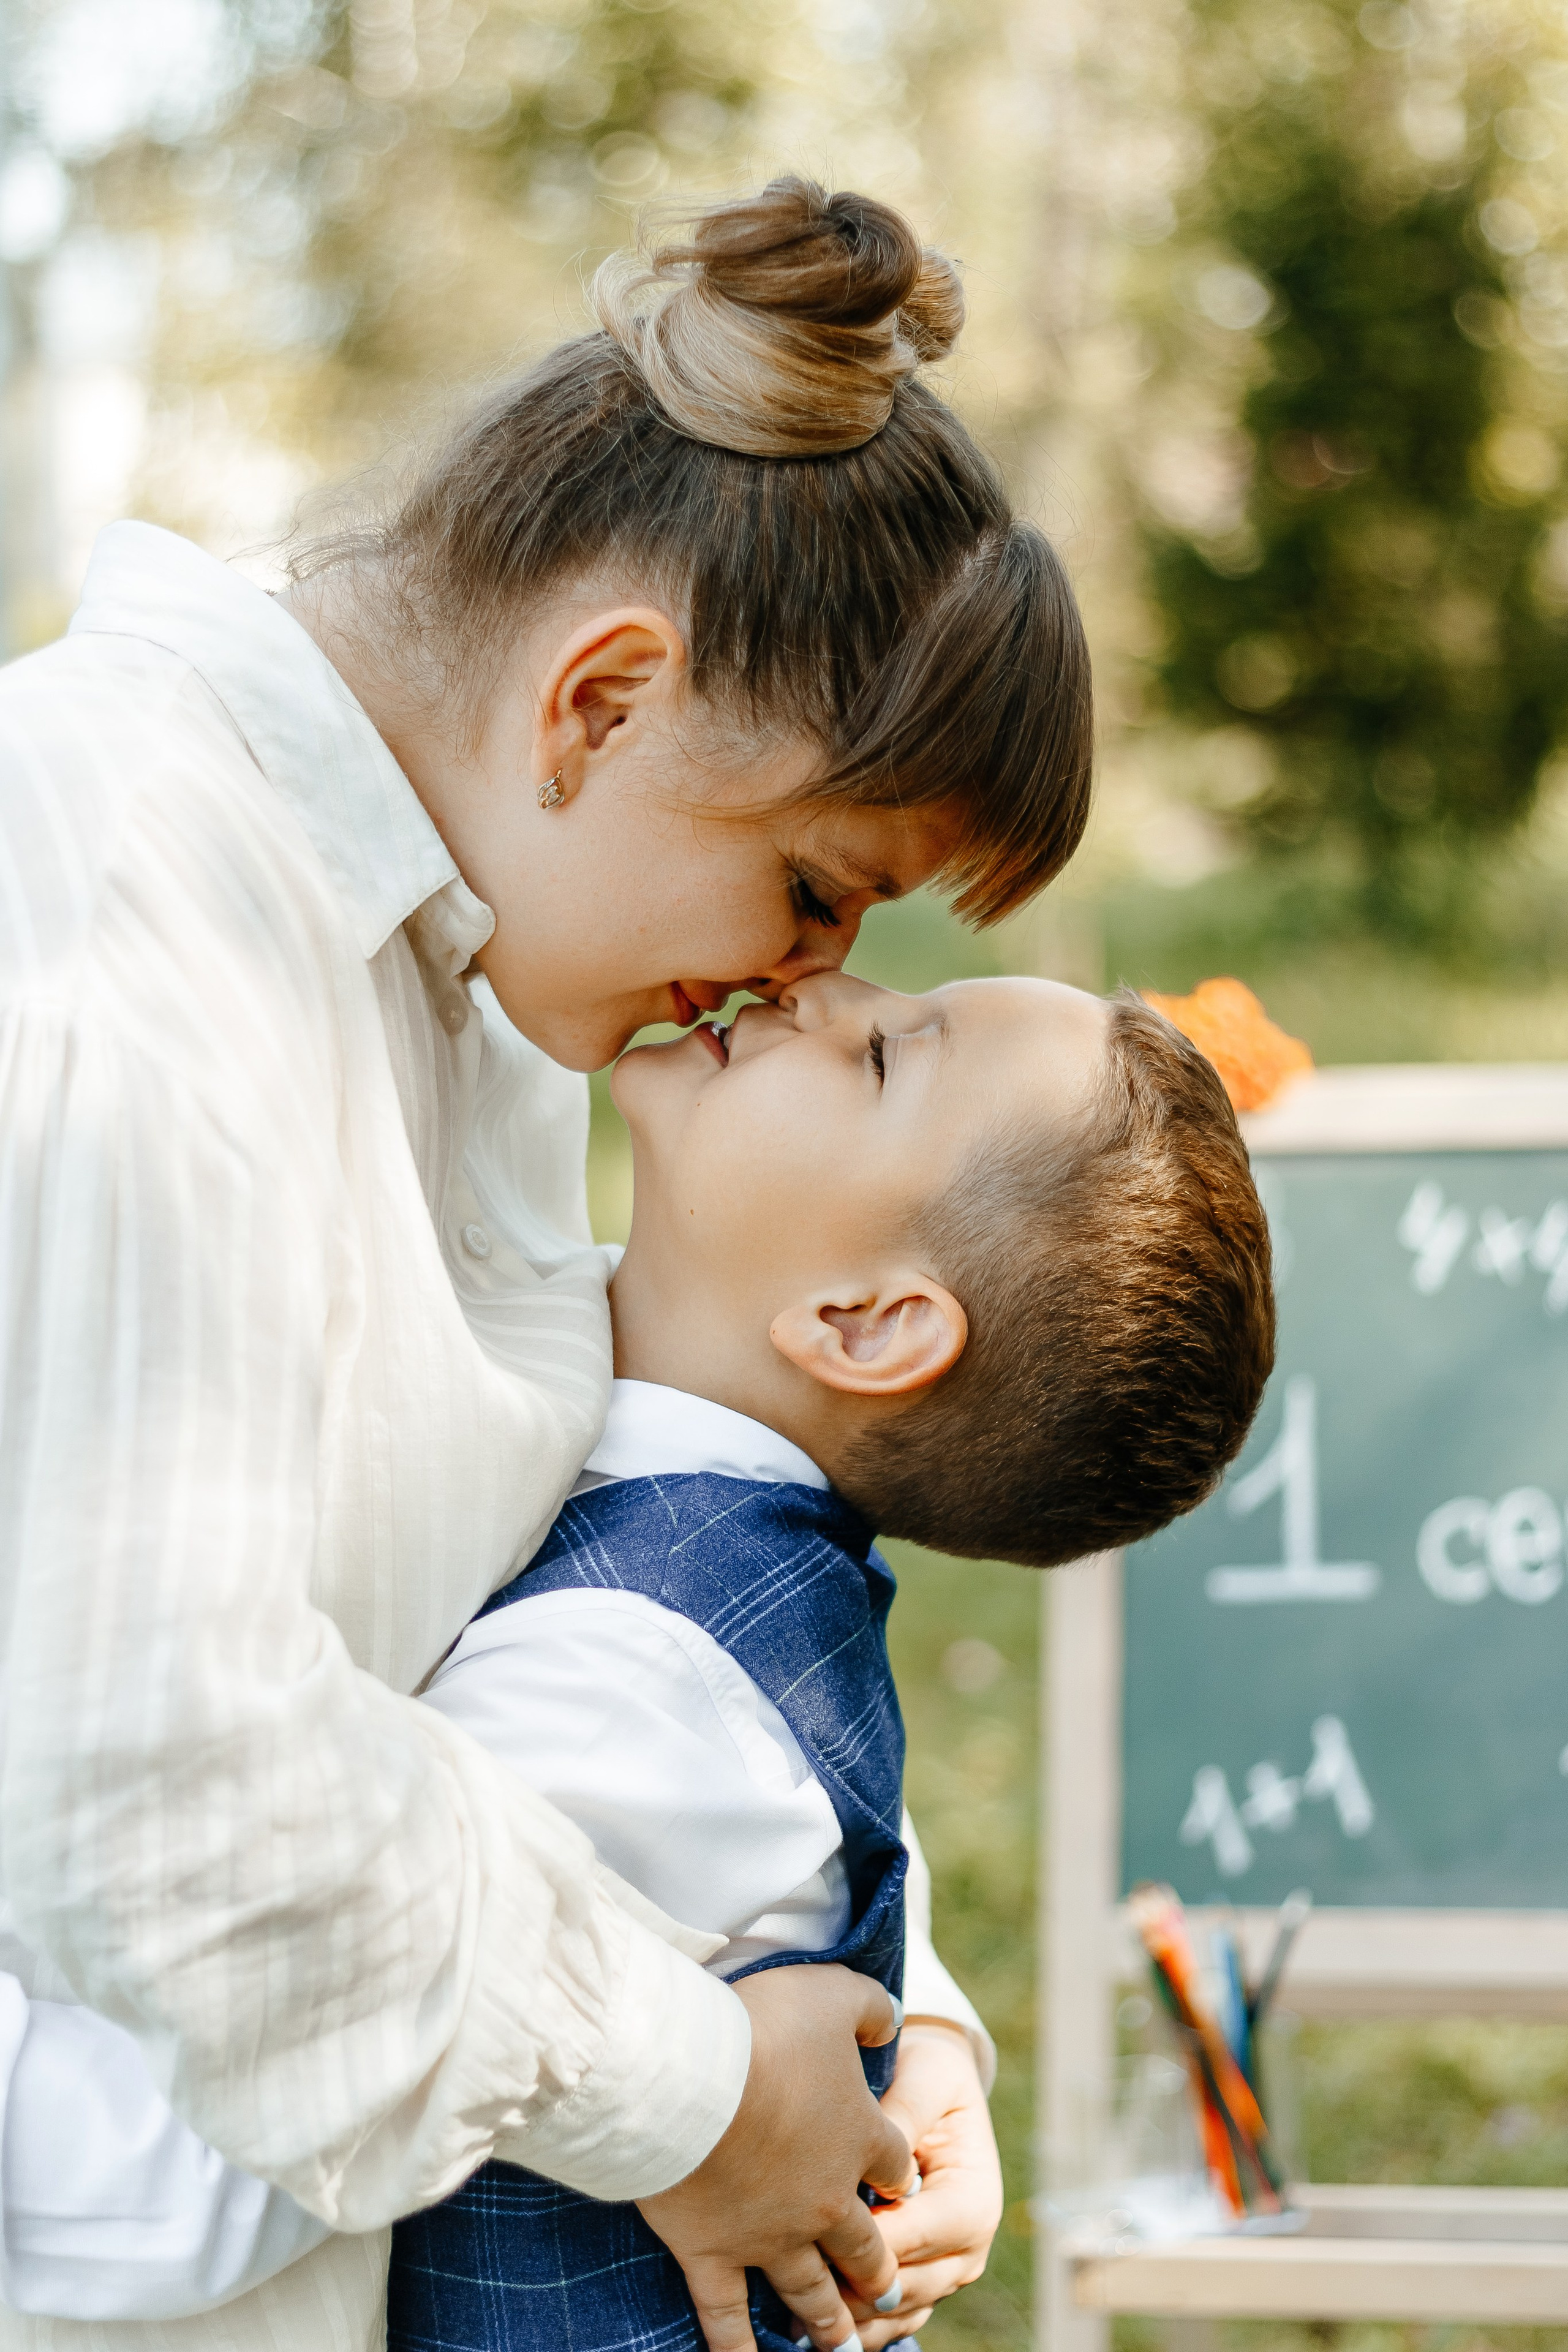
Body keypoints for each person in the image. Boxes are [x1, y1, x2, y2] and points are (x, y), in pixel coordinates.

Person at [0, 181, 1092, 2352]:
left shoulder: (464, 953)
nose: (790, 986)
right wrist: (694, 2093)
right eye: (811, 891)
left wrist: (872, 2004)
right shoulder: (121, 912)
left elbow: (571, 1581)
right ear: (601, 705)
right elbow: (158, 1769)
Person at [0, 970, 1273, 2352]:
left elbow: (180, 2167)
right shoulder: (697, 1590)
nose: (823, 987)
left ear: (862, 1321)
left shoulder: (622, 1677)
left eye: (884, 1056)